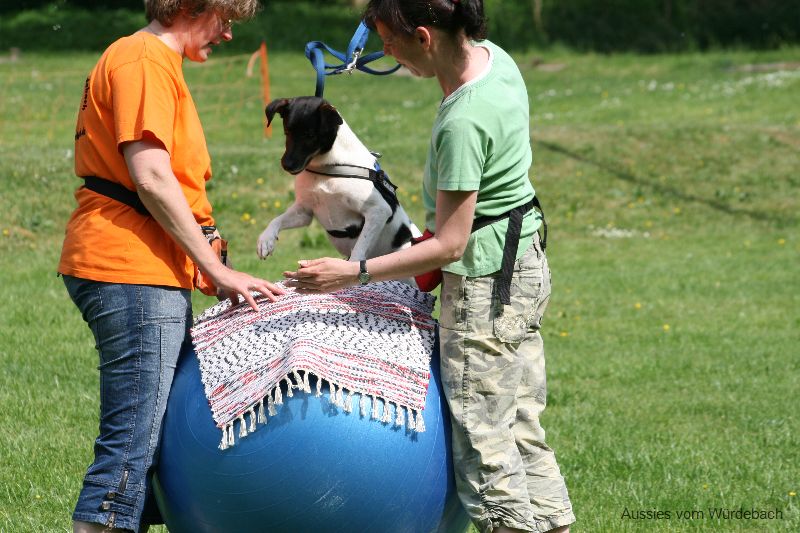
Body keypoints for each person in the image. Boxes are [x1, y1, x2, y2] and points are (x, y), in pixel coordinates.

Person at [283, 1, 574, 532]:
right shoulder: (494, 60)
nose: (383, 52)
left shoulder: (463, 120)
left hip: (488, 285)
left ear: (424, 36)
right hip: (524, 261)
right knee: (521, 425)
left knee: (485, 443)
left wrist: (351, 271)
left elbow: (449, 245)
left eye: (389, 41)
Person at [58, 1, 283, 531]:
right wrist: (218, 268)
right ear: (187, 6)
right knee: (129, 451)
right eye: (224, 19)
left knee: (156, 446)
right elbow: (152, 178)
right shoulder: (143, 62)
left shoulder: (156, 62)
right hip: (128, 268)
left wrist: (205, 260)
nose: (229, 34)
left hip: (145, 268)